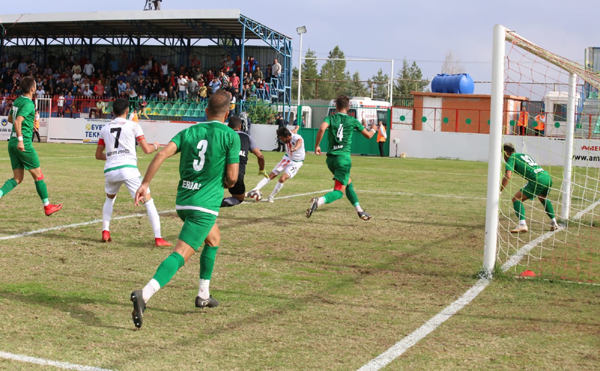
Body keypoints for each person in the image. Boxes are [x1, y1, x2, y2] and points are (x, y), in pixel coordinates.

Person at [130, 90, 241, 328]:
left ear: (205, 110)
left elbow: (161, 154)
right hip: (204, 205)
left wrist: (145, 184)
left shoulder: (189, 131)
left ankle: (203, 295)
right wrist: (223, 183)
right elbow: (232, 179)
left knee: (214, 239)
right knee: (180, 254)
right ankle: (145, 294)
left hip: (183, 201)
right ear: (228, 112)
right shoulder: (231, 135)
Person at [95, 98, 171, 246]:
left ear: (112, 112)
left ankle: (105, 231)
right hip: (128, 169)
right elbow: (146, 149)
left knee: (110, 199)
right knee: (149, 202)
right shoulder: (133, 125)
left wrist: (113, 156)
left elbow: (98, 155)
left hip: (110, 170)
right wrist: (156, 146)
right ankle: (158, 238)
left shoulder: (104, 128)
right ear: (127, 111)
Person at [306, 95, 376, 220]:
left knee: (348, 183)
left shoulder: (330, 118)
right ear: (348, 107)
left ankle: (359, 210)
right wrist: (374, 130)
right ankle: (319, 201)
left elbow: (322, 128)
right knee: (339, 192)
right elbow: (368, 136)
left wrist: (317, 145)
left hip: (331, 159)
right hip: (343, 159)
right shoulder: (352, 120)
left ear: (336, 106)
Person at [0, 76, 63, 215]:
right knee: (38, 175)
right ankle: (47, 206)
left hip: (12, 142)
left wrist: (23, 129)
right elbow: (16, 122)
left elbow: (10, 118)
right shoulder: (28, 104)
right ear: (33, 88)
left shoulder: (18, 100)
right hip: (24, 143)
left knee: (17, 178)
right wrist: (22, 139)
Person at [500, 143, 559, 233]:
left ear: (506, 152)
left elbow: (508, 176)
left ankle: (522, 224)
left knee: (516, 199)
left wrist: (500, 191)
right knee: (542, 197)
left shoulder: (511, 158)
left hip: (537, 179)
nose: (503, 157)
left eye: (502, 154)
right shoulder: (523, 155)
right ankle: (554, 222)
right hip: (546, 176)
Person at [221, 116, 267, 207]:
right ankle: (217, 203)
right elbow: (260, 156)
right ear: (240, 127)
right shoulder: (247, 137)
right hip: (237, 175)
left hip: (218, 173)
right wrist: (261, 169)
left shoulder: (223, 135)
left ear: (228, 125)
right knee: (239, 198)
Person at [251, 127, 304, 203]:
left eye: (282, 138)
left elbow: (300, 142)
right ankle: (255, 189)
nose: (281, 140)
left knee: (282, 178)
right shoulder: (289, 133)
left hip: (296, 162)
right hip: (287, 158)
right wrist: (296, 128)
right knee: (272, 175)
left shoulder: (297, 138)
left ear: (287, 137)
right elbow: (294, 131)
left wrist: (295, 148)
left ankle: (271, 196)